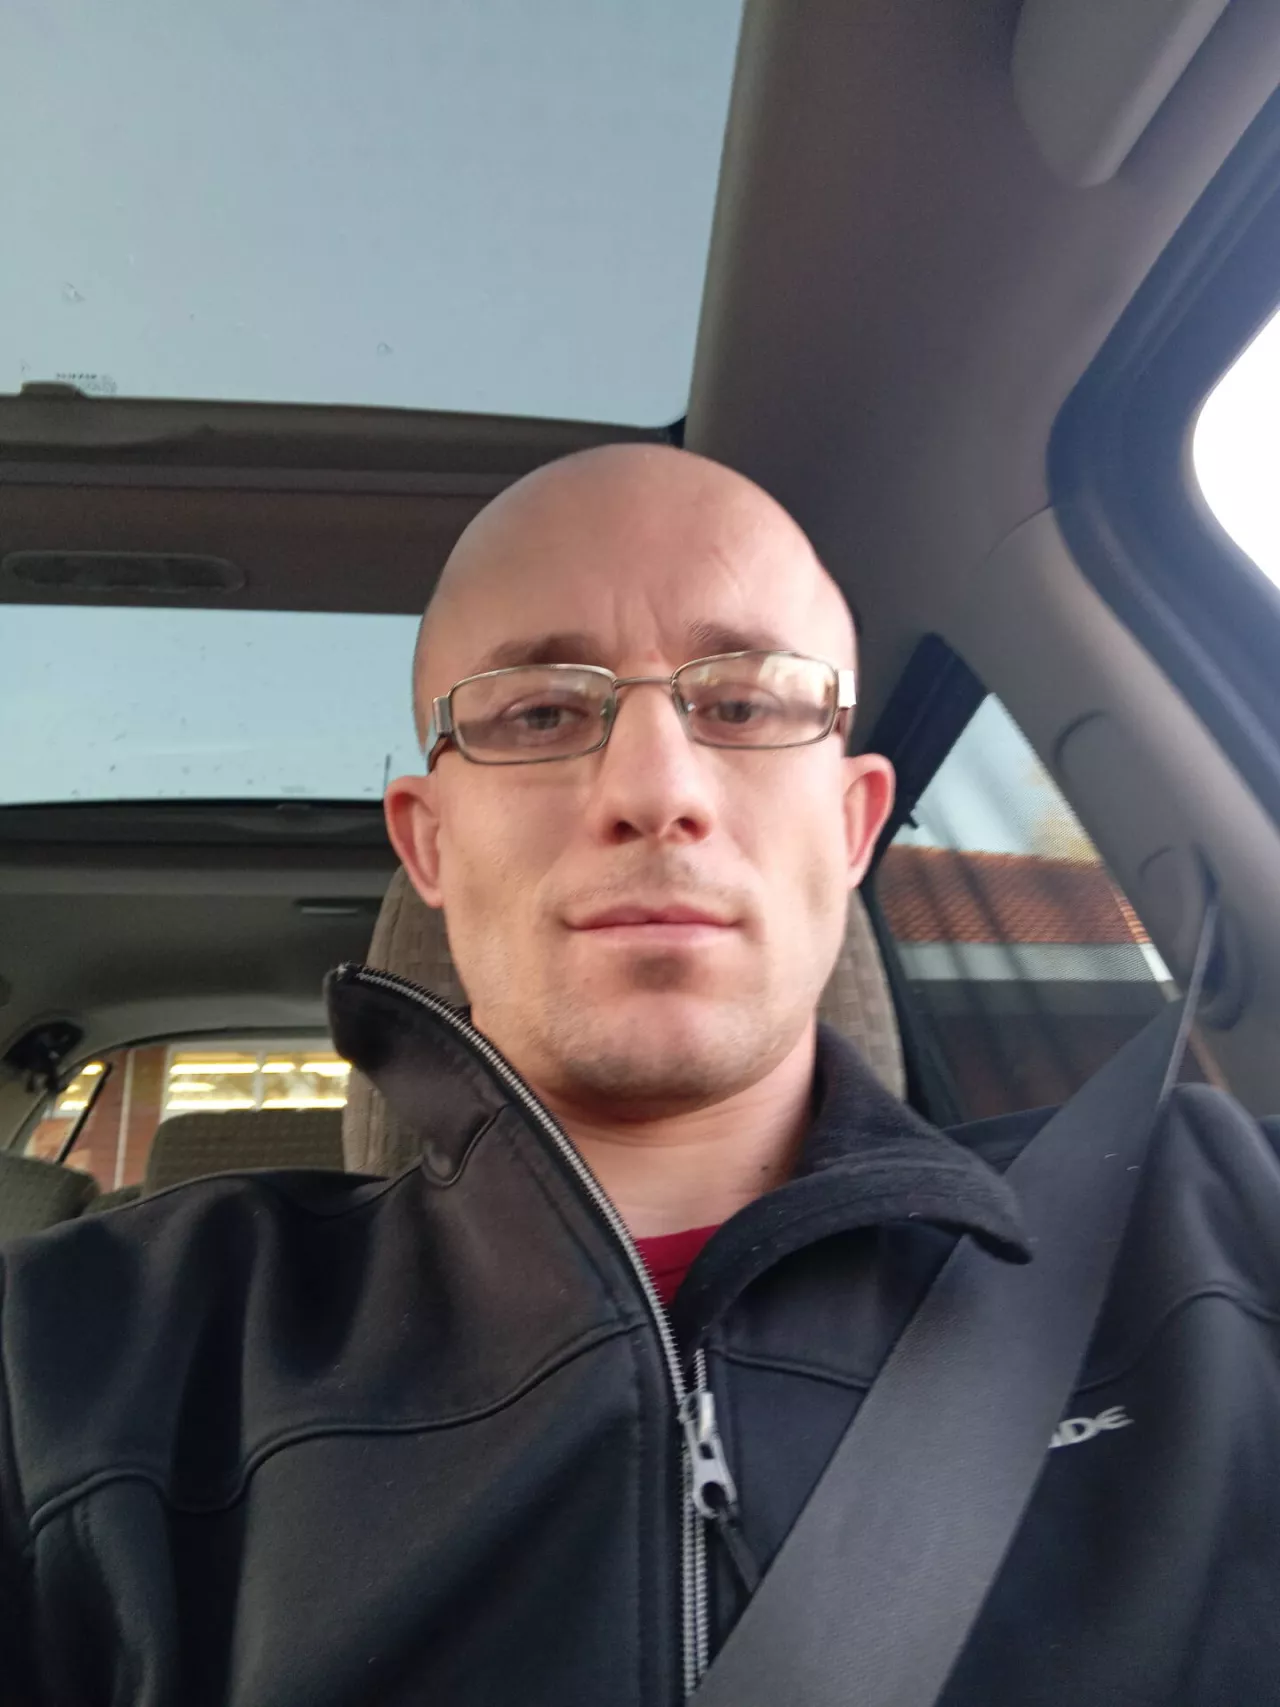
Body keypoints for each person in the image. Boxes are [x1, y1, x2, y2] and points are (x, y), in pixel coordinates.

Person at [1, 444, 1278, 1707]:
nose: (654, 789)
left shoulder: (1211, 1221)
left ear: (850, 824)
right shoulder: (83, 1351)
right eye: (540, 713)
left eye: (744, 704)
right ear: (428, 846)